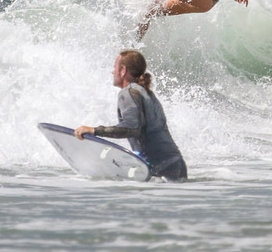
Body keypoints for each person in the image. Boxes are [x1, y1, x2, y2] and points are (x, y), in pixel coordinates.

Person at [74, 50, 187, 182]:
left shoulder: (128, 93)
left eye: (114, 68)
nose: (112, 72)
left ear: (123, 70)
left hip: (160, 169)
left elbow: (131, 128)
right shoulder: (147, 93)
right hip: (176, 165)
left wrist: (94, 131)